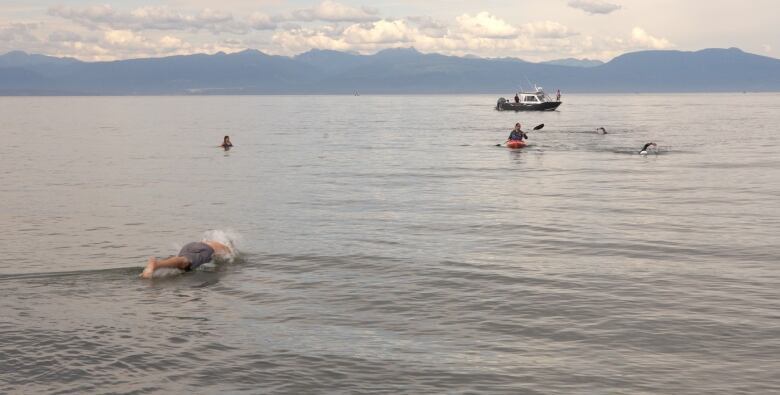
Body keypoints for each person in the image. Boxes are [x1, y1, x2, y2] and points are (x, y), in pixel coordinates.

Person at [140, 239, 233, 278]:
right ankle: (156, 264)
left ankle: (158, 266)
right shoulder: (224, 246)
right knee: (185, 262)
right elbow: (227, 257)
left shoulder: (208, 241)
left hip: (189, 246)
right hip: (206, 251)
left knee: (181, 262)